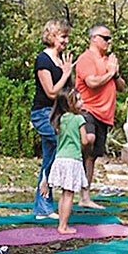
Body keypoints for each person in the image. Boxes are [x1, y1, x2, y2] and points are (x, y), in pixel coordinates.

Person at [75, 24, 125, 209]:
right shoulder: (86, 58)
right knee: (88, 139)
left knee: (92, 156)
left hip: (104, 115)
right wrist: (110, 73)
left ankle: (85, 197)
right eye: (105, 38)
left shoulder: (108, 60)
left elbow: (122, 87)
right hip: (87, 109)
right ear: (94, 38)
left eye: (110, 38)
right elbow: (92, 82)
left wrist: (116, 73)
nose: (109, 41)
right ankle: (67, 154)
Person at [30, 19, 74, 219]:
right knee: (58, 150)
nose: (66, 40)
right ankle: (43, 205)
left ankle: (43, 207)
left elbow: (67, 93)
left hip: (58, 115)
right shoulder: (43, 60)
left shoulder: (62, 60)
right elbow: (51, 92)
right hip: (43, 114)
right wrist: (65, 74)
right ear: (53, 36)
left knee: (50, 157)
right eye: (63, 36)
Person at [45, 89, 94, 234]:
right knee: (69, 194)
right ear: (70, 103)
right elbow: (84, 141)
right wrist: (89, 140)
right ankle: (63, 226)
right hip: (73, 159)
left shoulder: (60, 119)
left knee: (63, 193)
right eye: (79, 99)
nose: (82, 102)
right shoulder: (79, 119)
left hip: (60, 159)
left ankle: (61, 223)